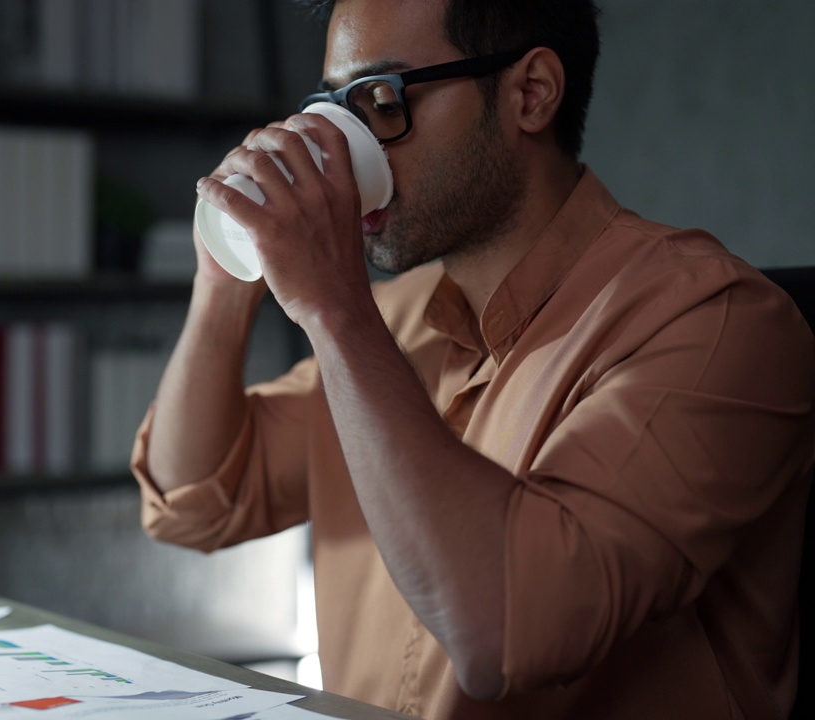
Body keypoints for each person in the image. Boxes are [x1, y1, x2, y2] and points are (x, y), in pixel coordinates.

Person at [129, 0, 815, 717]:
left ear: (531, 93)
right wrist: (225, 279)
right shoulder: (393, 321)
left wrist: (335, 312)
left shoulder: (718, 323)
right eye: (331, 109)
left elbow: (508, 634)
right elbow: (194, 503)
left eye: (380, 100)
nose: (345, 146)